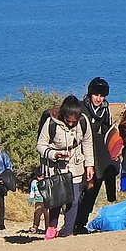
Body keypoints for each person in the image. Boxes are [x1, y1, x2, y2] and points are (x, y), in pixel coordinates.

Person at [36, 95, 95, 240]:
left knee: (73, 200)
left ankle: (68, 231)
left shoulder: (83, 122)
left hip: (75, 166)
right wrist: (54, 154)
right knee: (57, 199)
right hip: (55, 168)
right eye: (68, 121)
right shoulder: (51, 123)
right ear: (63, 115)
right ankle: (52, 227)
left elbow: (87, 143)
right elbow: (40, 145)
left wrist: (89, 165)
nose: (71, 124)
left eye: (74, 122)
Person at [73, 77, 117, 234]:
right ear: (90, 94)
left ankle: (81, 223)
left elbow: (107, 132)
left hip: (96, 156)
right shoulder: (80, 108)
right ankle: (71, 223)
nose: (99, 99)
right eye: (96, 95)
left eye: (102, 95)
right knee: (78, 192)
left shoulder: (105, 110)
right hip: (80, 155)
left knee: (93, 191)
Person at [28, 167, 46, 233]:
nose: (41, 178)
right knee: (37, 214)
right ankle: (35, 226)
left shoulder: (46, 181)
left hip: (46, 201)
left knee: (47, 215)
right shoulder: (34, 182)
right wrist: (31, 199)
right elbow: (32, 191)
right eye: (39, 177)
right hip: (38, 201)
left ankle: (48, 228)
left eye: (42, 177)